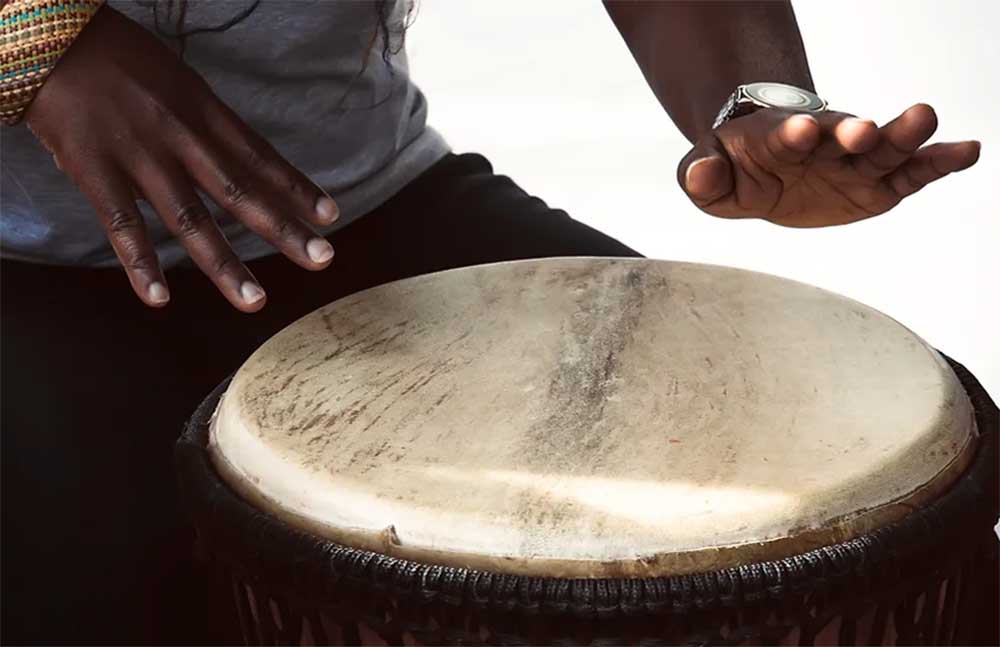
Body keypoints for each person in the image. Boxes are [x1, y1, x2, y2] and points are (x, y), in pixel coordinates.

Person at [0, 0, 982, 643]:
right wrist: (36, 40)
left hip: (358, 204)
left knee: (797, 492)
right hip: (28, 258)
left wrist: (756, 104)